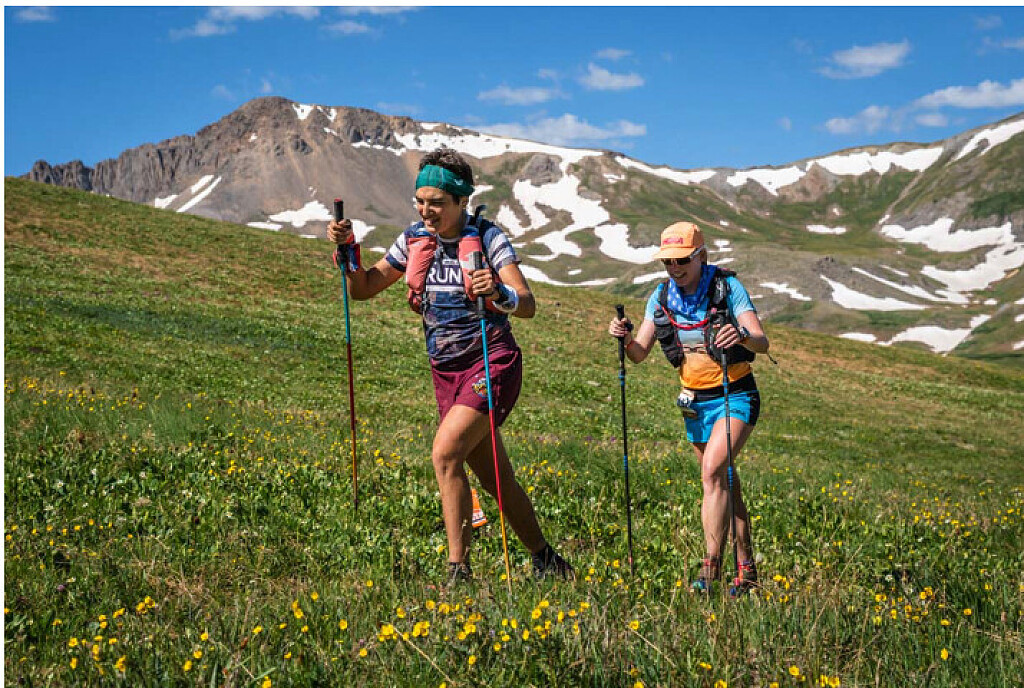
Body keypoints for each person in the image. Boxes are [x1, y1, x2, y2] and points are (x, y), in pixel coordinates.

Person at [327, 146, 573, 585]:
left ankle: (458, 572)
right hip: (446, 372)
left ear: (462, 200)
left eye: (437, 203)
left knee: (444, 454)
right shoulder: (412, 239)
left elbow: (527, 304)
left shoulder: (488, 238)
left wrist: (498, 292)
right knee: (497, 478)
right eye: (420, 201)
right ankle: (548, 561)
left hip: (492, 361)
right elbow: (362, 289)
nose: (426, 211)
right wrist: (348, 252)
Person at [608, 221, 769, 595]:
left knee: (712, 474)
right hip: (695, 402)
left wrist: (742, 334)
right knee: (724, 482)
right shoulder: (661, 296)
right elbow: (639, 354)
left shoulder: (727, 288)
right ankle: (747, 569)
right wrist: (624, 338)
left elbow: (762, 342)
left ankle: (709, 570)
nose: (674, 268)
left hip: (735, 394)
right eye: (668, 261)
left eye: (682, 260)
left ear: (701, 256)